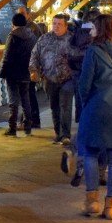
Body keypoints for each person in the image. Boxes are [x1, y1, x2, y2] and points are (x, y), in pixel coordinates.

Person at [76, 14, 112, 220]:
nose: (91, 31)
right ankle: (110, 206)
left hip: (96, 106)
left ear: (100, 29)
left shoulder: (94, 51)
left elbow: (84, 84)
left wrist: (86, 104)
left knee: (90, 154)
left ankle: (92, 201)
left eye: (94, 28)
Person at [29, 13, 76, 144]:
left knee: (65, 106)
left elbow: (79, 58)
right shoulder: (44, 39)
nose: (56, 26)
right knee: (54, 106)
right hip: (49, 79)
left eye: (59, 24)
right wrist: (33, 70)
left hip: (67, 79)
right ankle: (58, 133)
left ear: (66, 26)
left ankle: (66, 134)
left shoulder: (72, 40)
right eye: (54, 23)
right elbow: (34, 55)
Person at [0, 12, 38, 136]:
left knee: (13, 101)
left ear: (13, 23)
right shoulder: (32, 36)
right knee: (26, 99)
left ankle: (12, 127)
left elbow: (7, 56)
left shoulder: (13, 36)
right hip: (26, 72)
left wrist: (2, 72)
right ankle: (28, 125)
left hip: (13, 73)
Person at [17, 6, 43, 127]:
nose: (20, 15)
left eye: (22, 13)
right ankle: (29, 120)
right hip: (26, 65)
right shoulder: (23, 27)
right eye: (19, 13)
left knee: (28, 93)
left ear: (29, 15)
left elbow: (36, 48)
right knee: (27, 93)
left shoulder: (32, 28)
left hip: (30, 65)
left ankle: (32, 120)